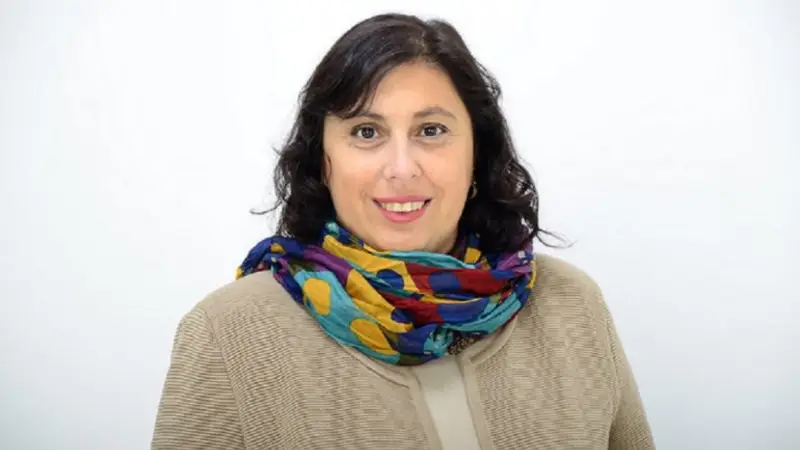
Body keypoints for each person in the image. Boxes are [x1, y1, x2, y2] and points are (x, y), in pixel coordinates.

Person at [152, 12, 654, 450]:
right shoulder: (230, 334)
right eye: (366, 132)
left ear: (476, 153)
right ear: (323, 161)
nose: (400, 168)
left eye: (431, 131)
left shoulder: (572, 305)